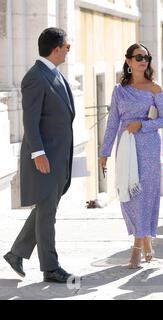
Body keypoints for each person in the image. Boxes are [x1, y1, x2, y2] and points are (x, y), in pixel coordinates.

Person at [3, 28, 77, 283]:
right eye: (67, 46)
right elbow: (30, 122)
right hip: (45, 158)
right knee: (47, 214)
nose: (69, 50)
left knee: (46, 210)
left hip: (59, 157)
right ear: (56, 48)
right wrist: (38, 154)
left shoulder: (54, 74)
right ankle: (50, 267)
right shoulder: (35, 77)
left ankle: (16, 253)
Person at [100, 43, 163, 269]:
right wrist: (104, 152)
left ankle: (137, 249)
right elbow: (112, 123)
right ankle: (146, 238)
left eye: (146, 57)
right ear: (129, 61)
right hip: (126, 147)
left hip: (149, 145)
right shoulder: (119, 91)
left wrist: (142, 125)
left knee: (146, 194)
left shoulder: (155, 89)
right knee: (129, 195)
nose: (143, 61)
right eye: (138, 57)